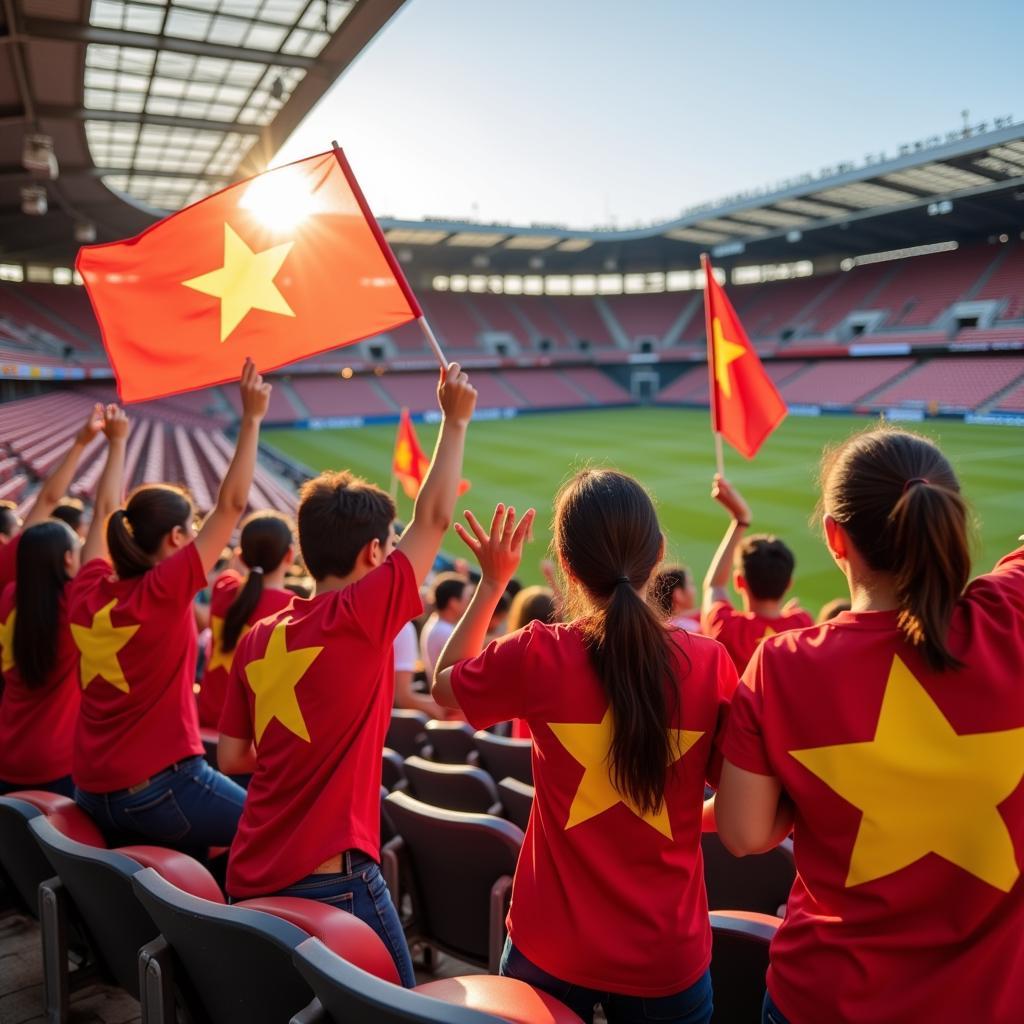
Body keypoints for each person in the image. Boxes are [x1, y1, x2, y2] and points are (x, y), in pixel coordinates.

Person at [715, 426, 1024, 1024]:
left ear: (835, 537)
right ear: (953, 519)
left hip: (828, 999)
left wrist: (810, 791)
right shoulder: (1013, 614)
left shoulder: (783, 665)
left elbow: (745, 835)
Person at [433, 471, 739, 1024]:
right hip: (664, 951)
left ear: (568, 568)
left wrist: (492, 582)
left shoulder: (538, 653)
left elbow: (444, 682)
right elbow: (743, 817)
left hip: (547, 943)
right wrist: (682, 815)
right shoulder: (710, 663)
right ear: (659, 555)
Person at [217, 362, 477, 987]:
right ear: (371, 555)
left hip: (250, 872)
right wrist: (456, 417)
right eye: (388, 546)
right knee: (402, 1004)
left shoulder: (259, 637)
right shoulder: (362, 615)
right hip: (330, 883)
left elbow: (231, 759)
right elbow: (435, 519)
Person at [68, 360, 270, 851]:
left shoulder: (88, 587)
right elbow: (232, 504)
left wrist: (116, 445)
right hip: (159, 789)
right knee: (273, 833)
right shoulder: (163, 590)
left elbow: (102, 514)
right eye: (192, 530)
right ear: (176, 537)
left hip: (91, 790)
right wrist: (251, 418)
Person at [0, 520, 84, 796]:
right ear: (68, 558)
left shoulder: (9, 597)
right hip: (57, 763)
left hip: (7, 751)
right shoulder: (72, 602)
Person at [701, 475, 812, 671]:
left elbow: (714, 586)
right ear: (788, 584)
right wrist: (787, 617)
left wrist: (741, 520)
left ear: (739, 582)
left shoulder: (727, 627)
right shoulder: (802, 624)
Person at [196, 511, 295, 729]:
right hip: (246, 736)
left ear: (240, 556)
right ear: (290, 555)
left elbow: (232, 573)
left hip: (206, 722)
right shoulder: (293, 609)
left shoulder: (224, 588)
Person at [0, 404, 106, 588]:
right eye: (17, 526)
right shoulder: (9, 563)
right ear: (2, 540)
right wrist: (81, 442)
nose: (23, 526)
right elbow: (48, 498)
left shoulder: (11, 593)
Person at [419, 571, 472, 676]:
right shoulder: (445, 632)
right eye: (468, 597)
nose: (471, 601)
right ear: (453, 603)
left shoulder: (437, 623)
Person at [654, 565, 700, 632]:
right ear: (678, 594)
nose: (695, 591)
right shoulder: (689, 628)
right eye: (691, 584)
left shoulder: (658, 624)